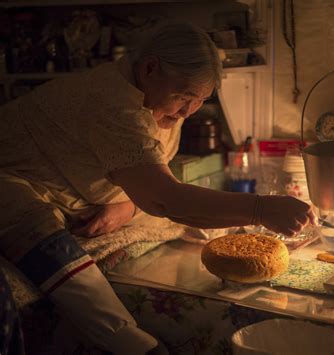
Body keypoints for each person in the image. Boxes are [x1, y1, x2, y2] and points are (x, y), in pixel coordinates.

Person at [0, 21, 314, 354]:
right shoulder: (114, 104)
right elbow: (166, 199)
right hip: (15, 180)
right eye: (185, 97)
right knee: (32, 223)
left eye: (200, 101)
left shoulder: (158, 102)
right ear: (150, 68)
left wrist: (128, 206)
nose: (188, 111)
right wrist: (260, 209)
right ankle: (129, 340)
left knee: (183, 216)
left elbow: (149, 184)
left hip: (72, 193)